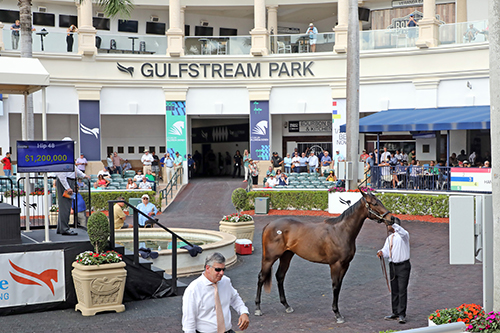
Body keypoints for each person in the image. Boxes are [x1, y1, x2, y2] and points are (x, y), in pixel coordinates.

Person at [182, 252, 250, 333]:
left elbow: (235, 298)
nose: (221, 273)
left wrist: (244, 312)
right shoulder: (193, 289)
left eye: (223, 269)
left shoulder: (226, 281)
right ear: (207, 268)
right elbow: (189, 321)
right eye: (218, 269)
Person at [377, 223, 411, 324]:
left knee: (402, 290)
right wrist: (381, 252)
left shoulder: (404, 236)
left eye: (389, 225)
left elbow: (402, 232)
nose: (387, 227)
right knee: (394, 290)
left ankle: (402, 314)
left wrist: (394, 224)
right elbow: (387, 252)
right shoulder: (389, 238)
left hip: (403, 266)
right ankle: (395, 312)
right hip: (393, 266)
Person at [56, 156, 90, 236]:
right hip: (66, 182)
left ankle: (61, 228)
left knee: (65, 206)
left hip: (69, 181)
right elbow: (61, 175)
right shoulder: (63, 162)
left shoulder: (68, 161)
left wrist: (84, 175)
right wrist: (67, 188)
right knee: (65, 206)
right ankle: (64, 229)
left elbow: (75, 169)